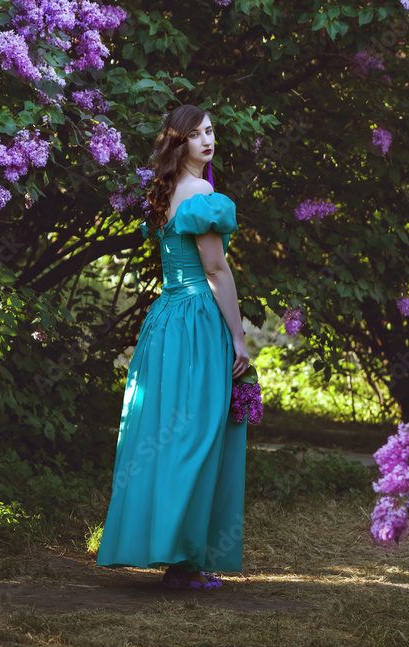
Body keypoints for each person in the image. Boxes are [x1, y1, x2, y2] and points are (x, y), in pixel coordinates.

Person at [95, 104, 250, 590]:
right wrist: (239, 337)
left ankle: (170, 550)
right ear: (178, 142)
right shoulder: (202, 193)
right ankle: (184, 563)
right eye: (197, 134)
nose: (208, 141)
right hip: (197, 319)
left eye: (211, 131)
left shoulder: (162, 193)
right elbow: (216, 269)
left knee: (163, 432)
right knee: (197, 436)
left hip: (164, 318)